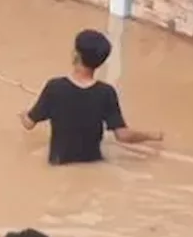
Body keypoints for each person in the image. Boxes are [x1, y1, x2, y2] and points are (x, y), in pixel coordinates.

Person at [21, 29, 162, 165]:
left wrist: (24, 114)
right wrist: (152, 136)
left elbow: (29, 124)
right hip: (93, 163)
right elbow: (123, 135)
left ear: (76, 55)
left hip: (59, 164)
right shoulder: (106, 92)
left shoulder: (54, 87)